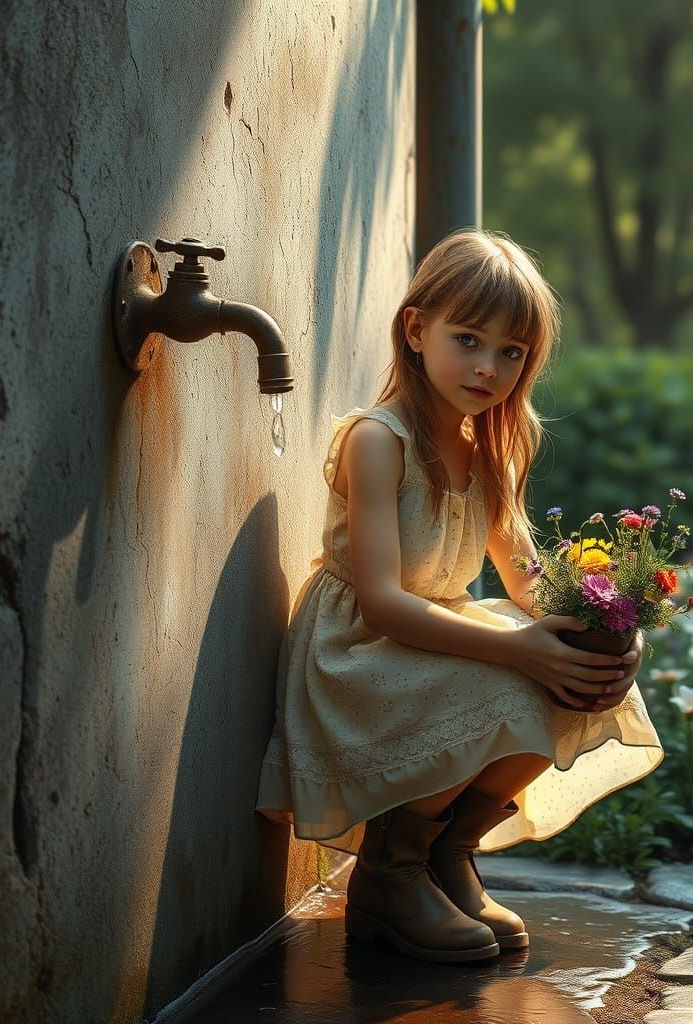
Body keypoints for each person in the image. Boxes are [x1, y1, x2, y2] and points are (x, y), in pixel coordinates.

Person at [256, 227, 665, 964]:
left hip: (432, 637)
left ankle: (448, 854)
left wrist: (609, 626)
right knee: (516, 676)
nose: (488, 367)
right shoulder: (379, 441)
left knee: (579, 672)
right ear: (417, 329)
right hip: (360, 653)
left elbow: (529, 583)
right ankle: (388, 873)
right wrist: (520, 648)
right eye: (469, 339)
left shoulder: (494, 448)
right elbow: (381, 603)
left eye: (511, 352)